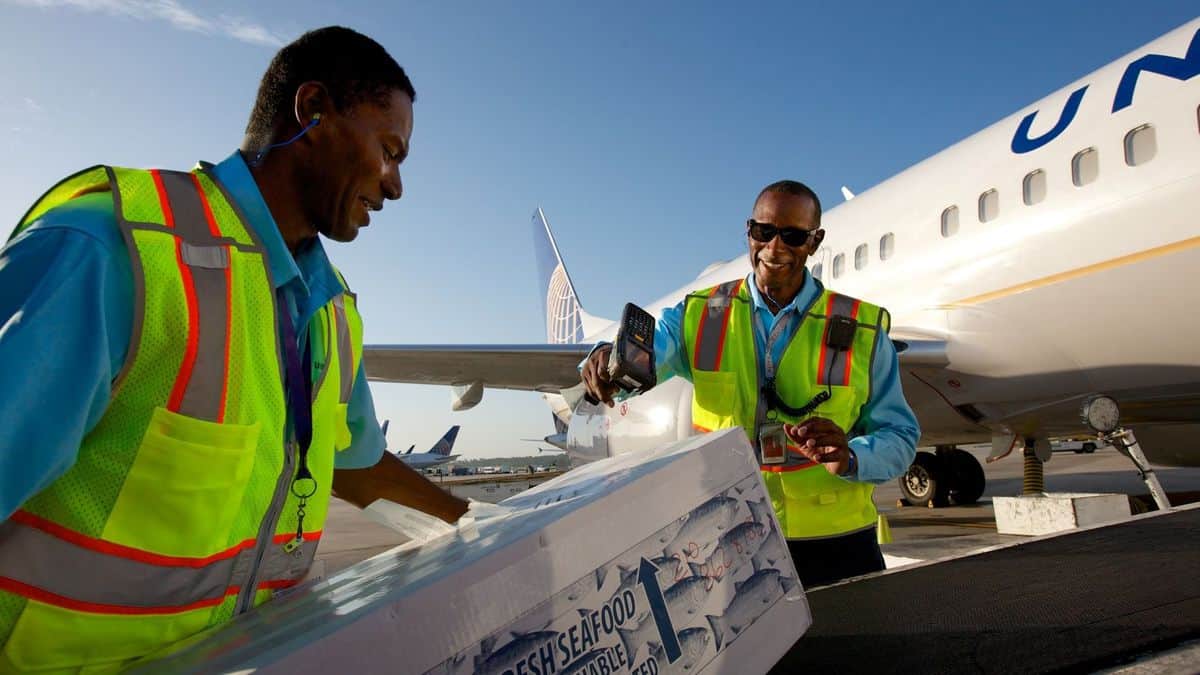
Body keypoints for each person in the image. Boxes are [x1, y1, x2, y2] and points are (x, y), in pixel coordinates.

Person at [0, 26, 468, 671]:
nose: (394, 185)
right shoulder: (119, 250)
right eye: (389, 151)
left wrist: (486, 523)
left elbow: (354, 466)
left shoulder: (332, 309)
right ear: (312, 112)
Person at [580, 180, 919, 588]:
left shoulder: (863, 330)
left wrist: (851, 456)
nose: (774, 248)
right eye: (764, 232)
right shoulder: (699, 315)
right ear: (748, 232)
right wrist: (605, 358)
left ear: (815, 242)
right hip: (731, 537)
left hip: (837, 542)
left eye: (793, 236)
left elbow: (900, 437)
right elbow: (647, 349)